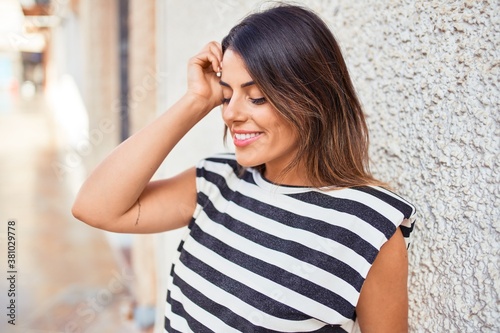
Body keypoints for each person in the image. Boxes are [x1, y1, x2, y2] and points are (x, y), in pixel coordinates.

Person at [72, 4, 416, 333]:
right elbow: (95, 207)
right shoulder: (216, 181)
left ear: (314, 98)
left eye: (256, 97)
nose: (229, 114)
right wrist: (196, 101)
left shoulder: (367, 227)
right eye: (226, 96)